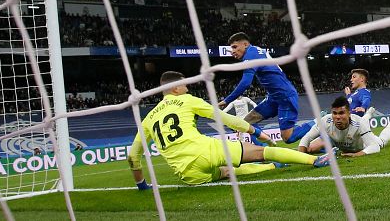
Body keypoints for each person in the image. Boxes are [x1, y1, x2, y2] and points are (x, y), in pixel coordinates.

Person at [128, 71, 331, 188]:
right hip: (204, 151)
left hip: (187, 173)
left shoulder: (148, 118)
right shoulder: (186, 100)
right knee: (262, 152)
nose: (188, 86)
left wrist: (142, 185)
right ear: (175, 88)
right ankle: (315, 160)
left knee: (226, 172)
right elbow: (226, 119)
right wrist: (257, 132)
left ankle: (272, 167)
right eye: (185, 84)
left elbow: (133, 157)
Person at [218, 32, 314, 144]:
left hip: (285, 97)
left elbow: (245, 83)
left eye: (235, 47)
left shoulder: (251, 55)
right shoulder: (255, 51)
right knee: (247, 123)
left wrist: (226, 100)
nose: (233, 51)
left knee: (288, 138)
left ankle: (317, 123)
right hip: (273, 98)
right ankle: (265, 150)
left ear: (245, 44)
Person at [298, 96, 390, 157]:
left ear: (349, 113)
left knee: (382, 141)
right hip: (342, 146)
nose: (337, 117)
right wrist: (301, 157)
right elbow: (307, 138)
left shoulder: (358, 122)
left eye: (341, 113)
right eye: (335, 113)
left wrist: (357, 154)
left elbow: (374, 147)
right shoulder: (326, 120)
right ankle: (369, 113)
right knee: (309, 149)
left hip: (363, 146)